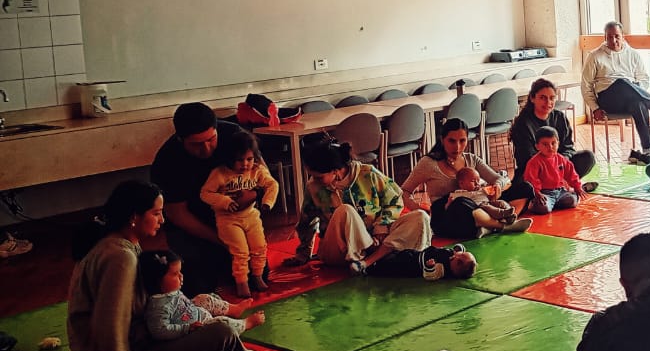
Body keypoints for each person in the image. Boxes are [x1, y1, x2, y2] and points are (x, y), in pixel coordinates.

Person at [67, 181, 253, 351]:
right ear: (134, 217)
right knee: (220, 330)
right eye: (156, 214)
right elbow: (109, 321)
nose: (162, 220)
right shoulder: (119, 256)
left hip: (134, 348)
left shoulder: (122, 244)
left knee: (199, 311)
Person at [150, 103, 260, 295]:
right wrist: (222, 239)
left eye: (211, 139)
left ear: (217, 129)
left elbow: (260, 175)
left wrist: (251, 199)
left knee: (257, 276)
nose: (206, 148)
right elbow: (177, 213)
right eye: (196, 144)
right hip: (194, 228)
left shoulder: (235, 136)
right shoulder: (167, 160)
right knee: (197, 287)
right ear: (180, 139)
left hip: (233, 217)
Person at [286, 142, 430, 274]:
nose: (314, 180)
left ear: (335, 170)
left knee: (420, 217)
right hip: (340, 250)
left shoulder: (367, 173)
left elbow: (395, 198)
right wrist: (303, 254)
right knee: (345, 210)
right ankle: (377, 257)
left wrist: (382, 225)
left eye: (319, 177)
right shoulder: (313, 187)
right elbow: (307, 221)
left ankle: (370, 261)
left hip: (376, 240)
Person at [401, 118, 535, 239]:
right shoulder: (429, 163)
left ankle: (499, 222)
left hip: (481, 204)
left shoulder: (471, 159)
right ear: (442, 140)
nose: (457, 146)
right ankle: (502, 227)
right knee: (461, 203)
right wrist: (419, 209)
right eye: (452, 141)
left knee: (525, 187)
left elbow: (499, 178)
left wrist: (497, 186)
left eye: (462, 141)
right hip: (450, 214)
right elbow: (404, 191)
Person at [138, 250, 262, 351]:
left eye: (180, 272)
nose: (181, 276)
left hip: (193, 312)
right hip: (197, 328)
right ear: (158, 280)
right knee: (221, 324)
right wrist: (186, 328)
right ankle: (246, 323)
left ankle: (234, 309)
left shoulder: (169, 292)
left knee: (203, 298)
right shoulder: (157, 306)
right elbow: (160, 331)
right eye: (175, 274)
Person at [199, 130, 279, 297]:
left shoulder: (257, 170)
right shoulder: (220, 173)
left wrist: (267, 203)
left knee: (259, 246)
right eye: (240, 160)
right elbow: (205, 193)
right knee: (240, 251)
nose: (245, 164)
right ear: (230, 159)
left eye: (249, 159)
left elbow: (273, 185)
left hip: (251, 216)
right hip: (228, 220)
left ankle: (257, 276)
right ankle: (241, 282)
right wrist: (225, 202)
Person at [580, 21, 650, 163]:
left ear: (623, 36)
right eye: (609, 37)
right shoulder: (594, 56)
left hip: (627, 97)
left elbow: (644, 78)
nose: (613, 40)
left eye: (617, 36)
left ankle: (648, 148)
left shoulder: (633, 54)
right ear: (605, 38)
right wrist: (595, 108)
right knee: (622, 82)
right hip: (607, 99)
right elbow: (586, 85)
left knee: (638, 103)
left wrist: (636, 88)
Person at [512, 78, 596, 187]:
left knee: (588, 157)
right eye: (543, 98)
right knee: (524, 185)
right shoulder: (523, 123)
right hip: (536, 170)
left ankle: (561, 186)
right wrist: (550, 167)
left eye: (552, 98)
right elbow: (527, 158)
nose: (548, 102)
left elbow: (568, 147)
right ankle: (562, 187)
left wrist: (560, 162)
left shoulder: (559, 117)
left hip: (559, 166)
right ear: (532, 98)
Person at [524, 127, 587, 215]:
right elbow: (531, 179)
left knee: (572, 201)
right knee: (543, 208)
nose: (550, 147)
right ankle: (536, 203)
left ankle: (556, 202)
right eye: (545, 144)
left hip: (560, 191)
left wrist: (577, 187)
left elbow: (571, 174)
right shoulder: (534, 162)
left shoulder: (561, 159)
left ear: (558, 143)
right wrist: (537, 193)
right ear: (537, 146)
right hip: (544, 193)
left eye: (553, 143)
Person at [448, 167, 518, 226]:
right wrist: (448, 203)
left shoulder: (481, 189)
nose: (477, 183)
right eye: (473, 181)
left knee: (501, 202)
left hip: (488, 202)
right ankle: (502, 214)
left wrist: (493, 193)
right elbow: (452, 206)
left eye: (478, 181)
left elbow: (491, 196)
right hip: (479, 208)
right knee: (486, 206)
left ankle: (510, 216)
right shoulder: (458, 193)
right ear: (461, 183)